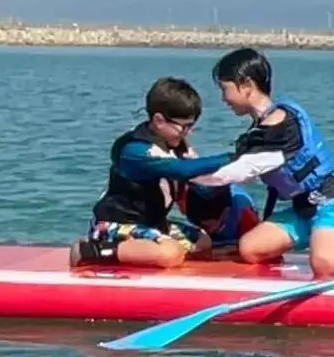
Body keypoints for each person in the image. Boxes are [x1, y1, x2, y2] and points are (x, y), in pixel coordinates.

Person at [192, 47, 334, 280]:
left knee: (324, 268)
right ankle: (317, 237)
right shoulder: (260, 128)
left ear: (246, 85)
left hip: (332, 203)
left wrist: (186, 173)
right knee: (250, 249)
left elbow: (237, 171)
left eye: (225, 89)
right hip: (301, 210)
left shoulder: (281, 126)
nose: (224, 98)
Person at [71, 76, 240, 269]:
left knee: (203, 242)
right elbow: (181, 170)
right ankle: (90, 250)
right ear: (159, 121)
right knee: (171, 253)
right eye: (184, 127)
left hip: (151, 223)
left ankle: (146, 251)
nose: (189, 133)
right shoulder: (134, 151)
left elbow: (196, 173)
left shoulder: (175, 144)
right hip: (113, 225)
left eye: (192, 126)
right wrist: (231, 157)